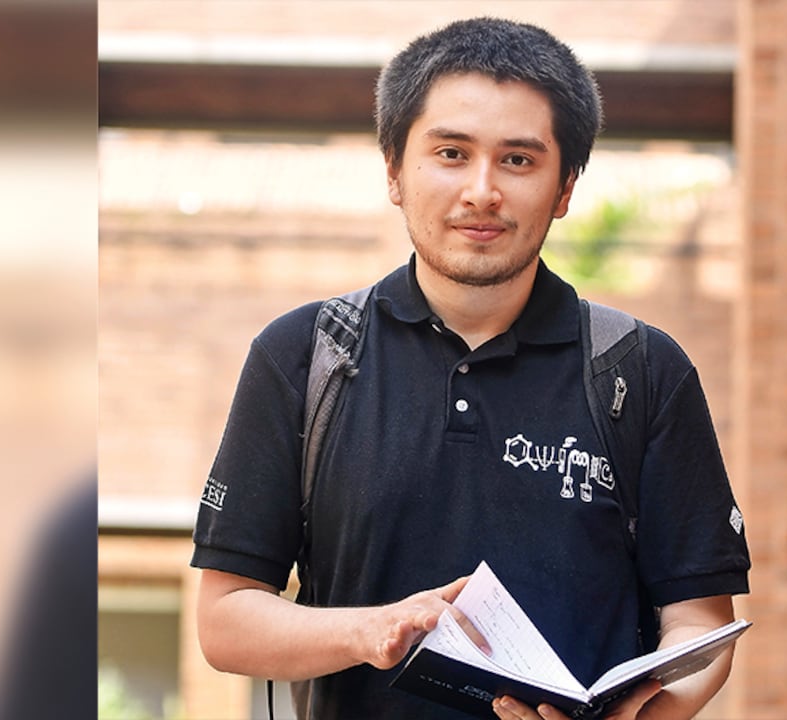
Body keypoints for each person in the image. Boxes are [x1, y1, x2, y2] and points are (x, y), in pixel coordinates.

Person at [192, 17, 750, 720]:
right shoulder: (305, 356)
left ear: (566, 187)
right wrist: (374, 629)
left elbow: (701, 623)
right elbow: (226, 618)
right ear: (394, 170)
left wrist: (646, 716)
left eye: (518, 160)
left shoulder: (640, 371)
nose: (482, 191)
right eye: (451, 153)